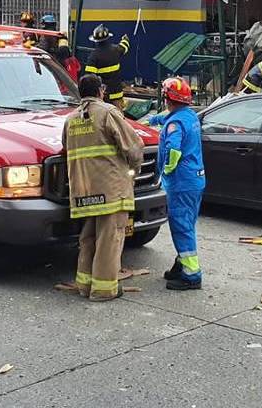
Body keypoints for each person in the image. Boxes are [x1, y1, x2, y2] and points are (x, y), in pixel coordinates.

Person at [63, 74, 144, 302]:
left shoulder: (71, 120)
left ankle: (84, 285)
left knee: (88, 237)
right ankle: (103, 290)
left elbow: (65, 148)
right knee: (110, 238)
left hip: (83, 191)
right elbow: (133, 147)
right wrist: (134, 170)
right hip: (111, 189)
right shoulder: (108, 113)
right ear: (100, 91)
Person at [149, 77, 205, 291]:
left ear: (166, 98)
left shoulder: (175, 124)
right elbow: (169, 118)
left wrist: (166, 172)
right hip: (195, 180)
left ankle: (192, 275)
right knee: (187, 223)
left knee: (181, 226)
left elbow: (173, 150)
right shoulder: (188, 116)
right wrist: (152, 121)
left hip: (181, 182)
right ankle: (181, 264)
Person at [85, 24, 130, 110]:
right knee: (118, 119)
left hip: (104, 97)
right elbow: (124, 47)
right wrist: (125, 39)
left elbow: (89, 77)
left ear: (95, 41)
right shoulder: (116, 50)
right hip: (117, 95)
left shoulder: (94, 56)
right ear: (107, 38)